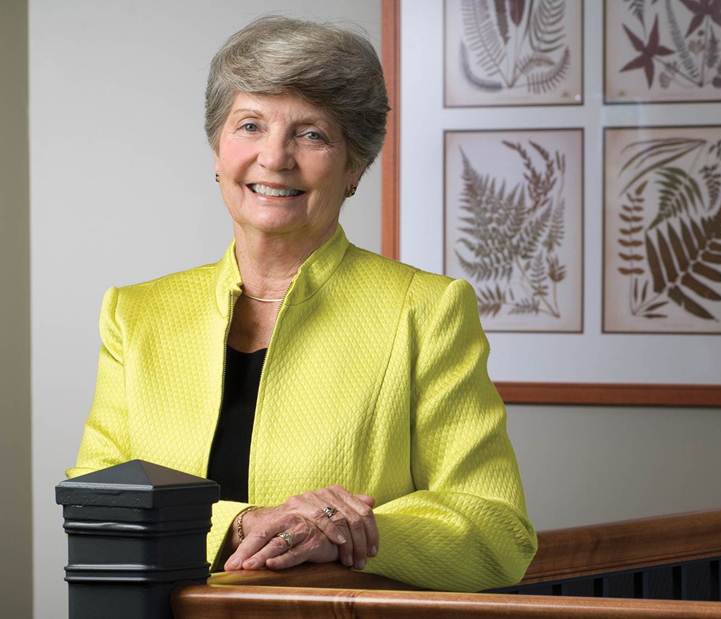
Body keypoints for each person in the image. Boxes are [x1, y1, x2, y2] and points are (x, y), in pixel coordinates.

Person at [67, 16, 537, 592]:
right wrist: (241, 523)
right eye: (250, 125)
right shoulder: (137, 313)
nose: (275, 157)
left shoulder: (427, 310)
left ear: (354, 168)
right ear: (218, 150)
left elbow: (497, 532)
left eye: (311, 134)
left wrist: (342, 533)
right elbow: (98, 499)